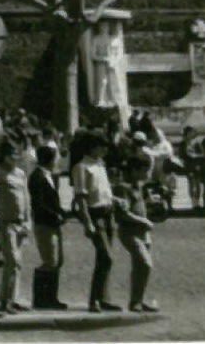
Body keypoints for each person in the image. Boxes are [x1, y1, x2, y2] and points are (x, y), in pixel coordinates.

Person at [72, 132, 121, 312]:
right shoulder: (82, 167)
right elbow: (81, 197)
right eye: (102, 146)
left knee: (105, 259)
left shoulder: (100, 165)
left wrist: (115, 200)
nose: (105, 150)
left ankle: (104, 297)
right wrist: (87, 222)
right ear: (92, 147)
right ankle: (94, 299)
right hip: (95, 214)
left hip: (108, 212)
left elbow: (103, 191)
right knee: (106, 256)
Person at [113, 154, 159, 313]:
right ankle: (136, 301)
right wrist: (144, 222)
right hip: (129, 232)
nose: (147, 174)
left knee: (139, 267)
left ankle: (137, 300)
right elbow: (123, 214)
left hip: (142, 233)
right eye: (145, 170)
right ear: (134, 170)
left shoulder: (138, 186)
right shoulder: (123, 187)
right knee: (145, 264)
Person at [29, 142, 69, 309]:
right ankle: (41, 298)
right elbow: (39, 203)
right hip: (44, 223)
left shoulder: (48, 176)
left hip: (52, 223)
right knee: (50, 261)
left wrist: (62, 212)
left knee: (58, 260)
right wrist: (56, 214)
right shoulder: (37, 177)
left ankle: (52, 297)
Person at [0, 141, 31, 313]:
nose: (15, 158)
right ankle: (4, 300)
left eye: (17, 154)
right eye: (11, 155)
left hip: (20, 222)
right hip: (6, 223)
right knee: (12, 261)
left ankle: (13, 298)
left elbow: (26, 197)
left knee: (18, 263)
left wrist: (28, 219)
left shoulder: (21, 174)